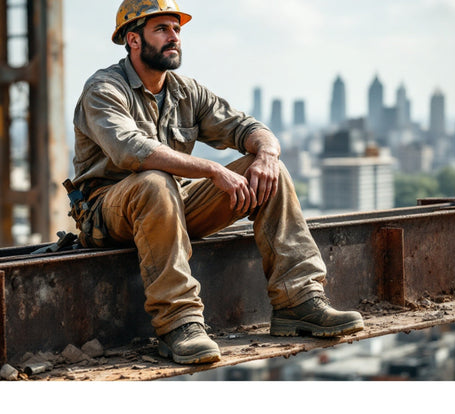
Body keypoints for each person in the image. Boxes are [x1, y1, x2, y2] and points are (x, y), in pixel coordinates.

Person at [70, 0, 364, 365]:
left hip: (169, 207)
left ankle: (299, 301)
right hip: (108, 212)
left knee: (269, 172)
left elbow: (247, 128)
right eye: (162, 29)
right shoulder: (103, 89)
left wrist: (268, 156)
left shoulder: (185, 91)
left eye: (177, 29)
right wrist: (211, 169)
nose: (174, 37)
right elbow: (132, 151)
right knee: (153, 182)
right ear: (133, 40)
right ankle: (180, 323)